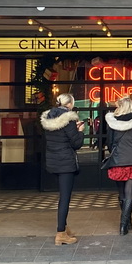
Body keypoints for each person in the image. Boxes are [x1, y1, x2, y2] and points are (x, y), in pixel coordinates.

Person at [40, 93, 86, 244]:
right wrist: (80, 131)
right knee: (65, 198)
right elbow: (76, 144)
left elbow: (58, 138)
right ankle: (61, 234)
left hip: (53, 161)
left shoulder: (48, 118)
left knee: (62, 196)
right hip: (66, 162)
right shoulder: (69, 119)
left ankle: (64, 228)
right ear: (70, 104)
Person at [104, 95, 132, 235]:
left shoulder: (112, 122)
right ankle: (124, 224)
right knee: (130, 194)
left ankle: (126, 221)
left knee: (121, 193)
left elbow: (109, 142)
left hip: (117, 160)